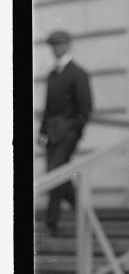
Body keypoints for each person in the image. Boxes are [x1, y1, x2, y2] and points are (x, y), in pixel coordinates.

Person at [38, 30, 92, 235]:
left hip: (67, 132)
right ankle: (83, 211)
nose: (56, 49)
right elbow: (48, 107)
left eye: (59, 45)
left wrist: (74, 129)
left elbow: (85, 108)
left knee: (55, 173)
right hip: (52, 132)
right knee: (60, 175)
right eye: (53, 46)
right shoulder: (52, 74)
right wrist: (43, 132)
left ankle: (51, 221)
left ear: (68, 45)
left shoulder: (78, 73)